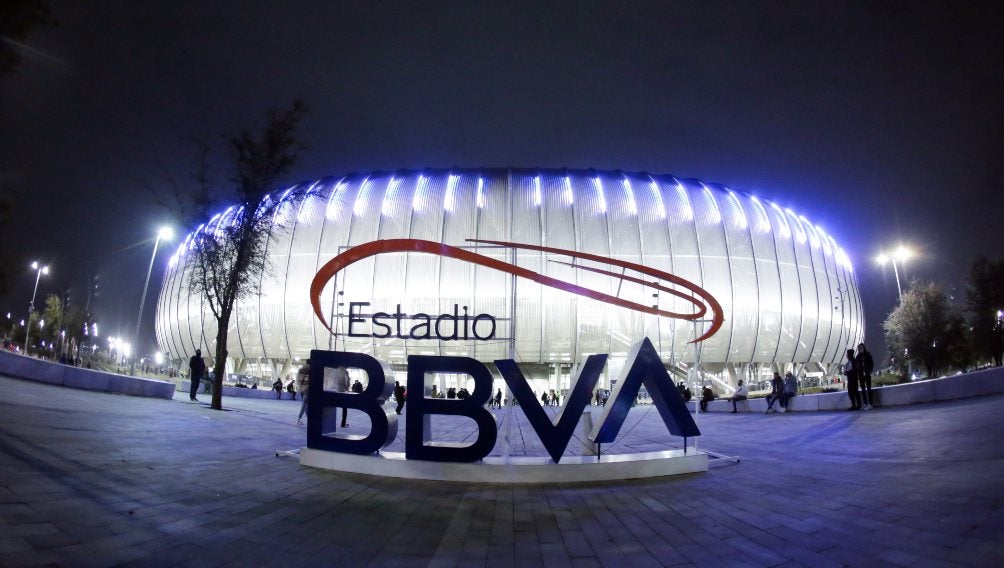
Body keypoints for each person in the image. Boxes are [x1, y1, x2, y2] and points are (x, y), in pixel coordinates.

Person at [856, 343, 875, 410]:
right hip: (861, 375)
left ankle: (870, 404)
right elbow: (857, 366)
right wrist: (858, 373)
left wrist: (868, 370)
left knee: (869, 388)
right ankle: (865, 403)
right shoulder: (858, 357)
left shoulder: (867, 354)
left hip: (867, 374)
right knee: (863, 389)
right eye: (860, 348)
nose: (861, 349)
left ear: (864, 348)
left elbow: (871, 364)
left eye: (862, 348)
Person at [296, 359, 310, 424]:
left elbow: (297, 379)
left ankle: (309, 419)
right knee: (305, 404)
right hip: (307, 388)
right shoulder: (309, 370)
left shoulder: (300, 369)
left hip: (301, 388)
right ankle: (299, 418)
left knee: (305, 404)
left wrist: (299, 386)